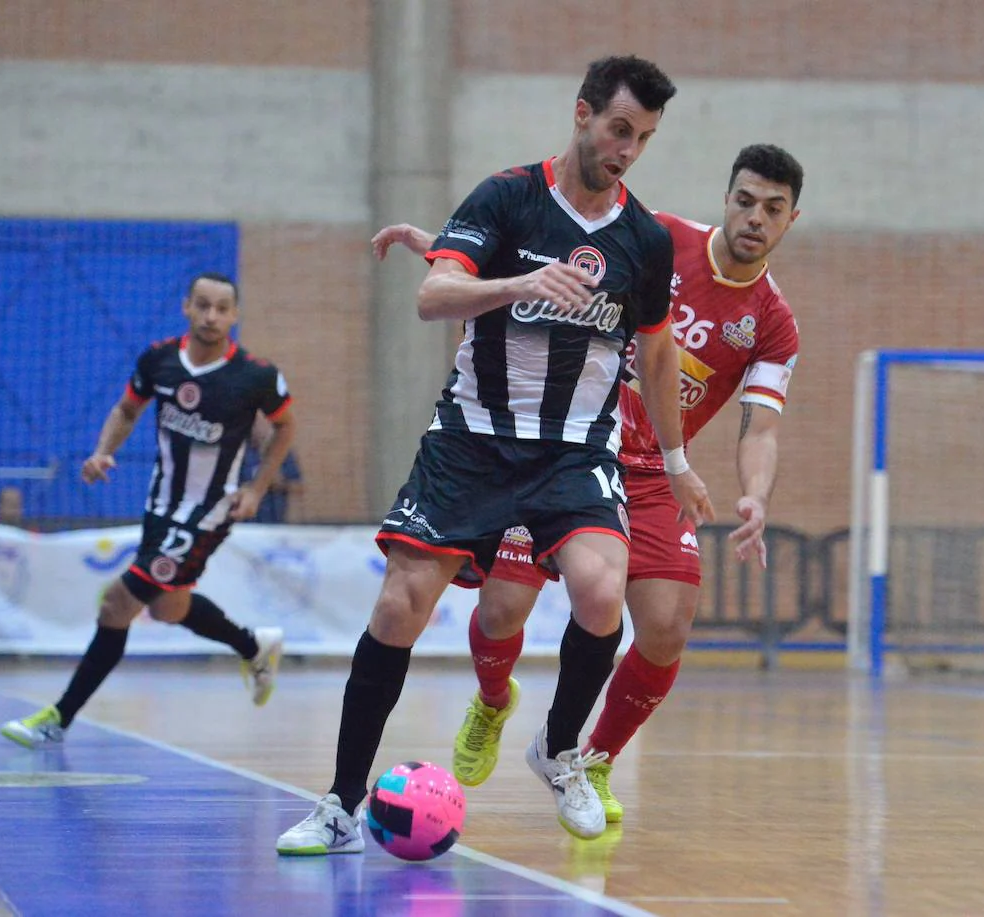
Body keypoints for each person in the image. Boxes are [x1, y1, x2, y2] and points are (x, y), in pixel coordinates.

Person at [277, 55, 712, 856]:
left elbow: (653, 353)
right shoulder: (506, 197)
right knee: (400, 605)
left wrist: (678, 460)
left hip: (575, 451)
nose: (627, 149)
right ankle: (339, 803)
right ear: (582, 114)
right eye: (619, 128)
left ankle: (559, 747)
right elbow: (431, 295)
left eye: (644, 138)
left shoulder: (643, 240)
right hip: (473, 438)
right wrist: (521, 284)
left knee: (599, 587)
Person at [373, 143, 804, 826]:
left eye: (773, 209)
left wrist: (755, 493)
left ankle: (585, 758)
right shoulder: (656, 236)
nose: (756, 217)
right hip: (565, 443)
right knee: (500, 612)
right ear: (726, 198)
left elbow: (762, 428)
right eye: (745, 200)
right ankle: (491, 700)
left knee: (666, 624)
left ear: (790, 219)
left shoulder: (773, 323)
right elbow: (536, 262)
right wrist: (446, 251)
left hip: (661, 468)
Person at [0, 273, 295, 748]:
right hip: (161, 505)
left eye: (222, 309)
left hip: (209, 511)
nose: (211, 316)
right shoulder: (158, 360)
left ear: (235, 316)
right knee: (167, 607)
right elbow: (125, 410)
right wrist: (102, 452)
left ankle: (58, 717)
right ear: (187, 307)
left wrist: (257, 488)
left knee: (118, 603)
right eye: (203, 306)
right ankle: (252, 645)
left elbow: (285, 429)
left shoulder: (256, 376)